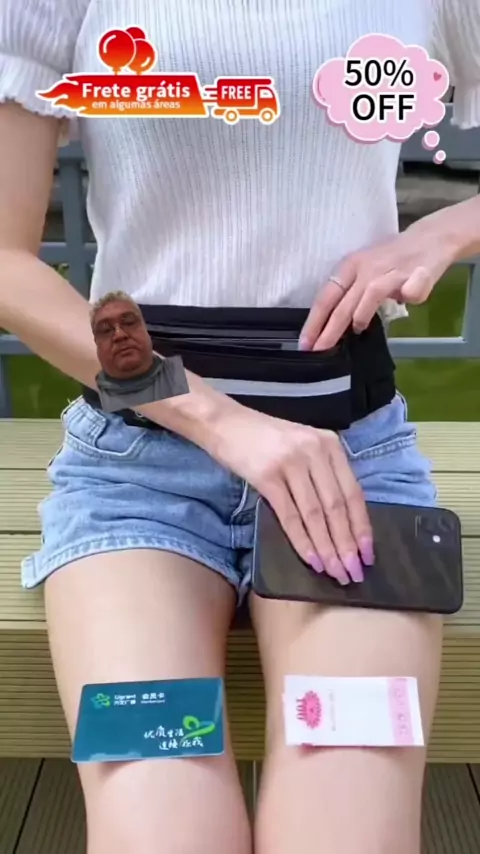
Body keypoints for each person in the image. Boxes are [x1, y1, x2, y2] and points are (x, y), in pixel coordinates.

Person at [0, 2, 479, 853]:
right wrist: (221, 420)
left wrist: (449, 226)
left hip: (347, 475)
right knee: (159, 823)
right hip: (139, 480)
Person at [91, 290, 189, 412]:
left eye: (129, 323)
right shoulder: (89, 405)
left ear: (146, 329)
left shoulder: (188, 380)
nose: (120, 335)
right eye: (106, 330)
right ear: (96, 343)